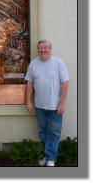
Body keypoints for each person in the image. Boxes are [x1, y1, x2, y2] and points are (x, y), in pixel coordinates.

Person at [25, 39, 70, 167]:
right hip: (40, 106)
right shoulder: (33, 64)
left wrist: (61, 103)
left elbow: (65, 84)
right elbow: (29, 83)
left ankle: (51, 158)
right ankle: (48, 155)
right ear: (38, 49)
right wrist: (28, 101)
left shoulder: (58, 63)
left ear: (50, 49)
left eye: (45, 48)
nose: (43, 50)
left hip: (55, 106)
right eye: (40, 48)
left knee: (54, 133)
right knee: (42, 132)